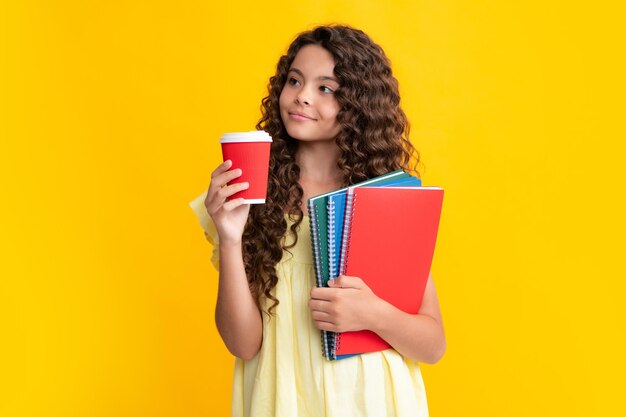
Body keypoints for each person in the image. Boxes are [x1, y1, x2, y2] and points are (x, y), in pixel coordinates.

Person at [190, 24, 445, 417]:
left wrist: (371, 313)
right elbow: (243, 345)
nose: (302, 97)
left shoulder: (383, 200)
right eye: (295, 80)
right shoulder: (252, 195)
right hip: (282, 399)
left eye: (325, 88)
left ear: (359, 104)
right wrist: (229, 236)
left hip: (370, 400)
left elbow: (432, 345)